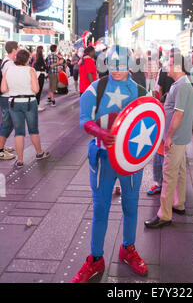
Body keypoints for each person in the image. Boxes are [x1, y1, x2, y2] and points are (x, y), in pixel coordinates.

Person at [71, 45, 148, 283]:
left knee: (131, 206)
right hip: (103, 158)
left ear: (129, 64)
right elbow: (84, 119)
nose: (116, 70)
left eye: (121, 65)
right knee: (100, 209)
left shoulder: (141, 91)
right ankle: (95, 259)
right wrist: (99, 131)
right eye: (112, 65)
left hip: (131, 162)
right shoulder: (96, 89)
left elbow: (150, 121)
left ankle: (128, 248)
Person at [144, 48, 193, 229]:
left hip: (176, 138)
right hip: (180, 138)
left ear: (179, 66)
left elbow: (178, 114)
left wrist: (169, 136)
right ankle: (178, 204)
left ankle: (164, 214)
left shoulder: (181, 85)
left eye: (171, 64)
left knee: (169, 175)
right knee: (180, 172)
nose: (167, 67)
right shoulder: (182, 83)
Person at [1, 49, 50, 168]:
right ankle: (39, 153)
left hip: (13, 103)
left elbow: (3, 89)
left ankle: (20, 160)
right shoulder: (30, 70)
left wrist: (15, 88)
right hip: (29, 102)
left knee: (19, 132)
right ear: (27, 59)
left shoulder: (8, 70)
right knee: (33, 130)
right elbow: (36, 89)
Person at [147, 58, 174, 196]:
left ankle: (162, 184)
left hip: (165, 105)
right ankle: (162, 183)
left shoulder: (164, 72)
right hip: (166, 105)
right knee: (162, 158)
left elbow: (158, 88)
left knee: (163, 158)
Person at [0, 41, 18, 161]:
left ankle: (2, 146)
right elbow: (10, 81)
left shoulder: (7, 61)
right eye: (18, 48)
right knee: (7, 122)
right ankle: (0, 150)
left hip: (6, 96)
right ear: (14, 50)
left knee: (8, 122)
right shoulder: (9, 64)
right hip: (7, 96)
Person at [33, 46, 47, 112]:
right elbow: (38, 67)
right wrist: (42, 68)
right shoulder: (40, 58)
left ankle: (37, 104)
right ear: (41, 50)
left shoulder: (39, 57)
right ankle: (37, 105)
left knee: (38, 90)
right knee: (39, 90)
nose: (44, 49)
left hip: (40, 75)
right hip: (40, 75)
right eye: (43, 48)